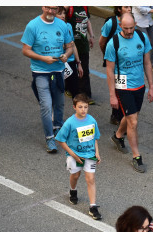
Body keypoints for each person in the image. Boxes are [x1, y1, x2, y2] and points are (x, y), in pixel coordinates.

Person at [104, 12, 153, 173]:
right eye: (126, 29)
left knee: (131, 116)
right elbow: (110, 71)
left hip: (139, 86)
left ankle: (118, 136)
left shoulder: (141, 36)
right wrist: (112, 95)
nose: (129, 32)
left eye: (132, 28)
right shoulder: (114, 43)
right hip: (123, 87)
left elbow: (147, 63)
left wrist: (151, 86)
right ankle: (137, 157)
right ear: (120, 26)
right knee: (133, 121)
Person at [21, 6, 74, 153]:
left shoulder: (62, 25)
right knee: (46, 105)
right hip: (40, 72)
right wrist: (43, 58)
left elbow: (69, 47)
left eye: (55, 9)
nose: (51, 12)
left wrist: (65, 55)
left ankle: (58, 128)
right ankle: (49, 138)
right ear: (43, 7)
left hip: (58, 71)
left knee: (60, 103)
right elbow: (25, 50)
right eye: (49, 8)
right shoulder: (33, 25)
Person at [55, 93, 102, 220]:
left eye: (85, 107)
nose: (83, 110)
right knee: (75, 176)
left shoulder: (92, 120)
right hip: (75, 155)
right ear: (74, 107)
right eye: (80, 107)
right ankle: (73, 190)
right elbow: (60, 140)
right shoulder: (70, 123)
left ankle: (93, 207)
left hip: (90, 154)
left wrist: (97, 152)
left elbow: (95, 138)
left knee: (90, 179)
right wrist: (73, 155)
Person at [100, 6, 132, 126]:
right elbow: (102, 42)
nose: (129, 8)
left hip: (128, 63)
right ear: (119, 9)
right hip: (116, 64)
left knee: (127, 89)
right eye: (126, 7)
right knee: (119, 89)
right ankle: (116, 115)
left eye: (130, 6)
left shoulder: (131, 21)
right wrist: (108, 57)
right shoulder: (111, 23)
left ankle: (125, 113)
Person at [65, 6, 95, 102]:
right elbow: (60, 17)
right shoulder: (68, 7)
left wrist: (91, 36)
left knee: (84, 70)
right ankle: (68, 88)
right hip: (71, 45)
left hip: (83, 45)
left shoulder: (85, 6)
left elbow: (87, 21)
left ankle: (86, 95)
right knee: (71, 68)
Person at [56, 7, 83, 99]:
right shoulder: (51, 29)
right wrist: (65, 45)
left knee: (76, 90)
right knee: (56, 89)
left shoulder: (68, 26)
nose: (63, 16)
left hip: (70, 62)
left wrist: (78, 63)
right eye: (60, 14)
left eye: (64, 13)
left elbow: (73, 45)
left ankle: (78, 111)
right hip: (57, 62)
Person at [133, 7, 153, 73]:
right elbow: (141, 9)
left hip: (149, 22)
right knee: (145, 43)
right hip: (139, 22)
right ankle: (138, 64)